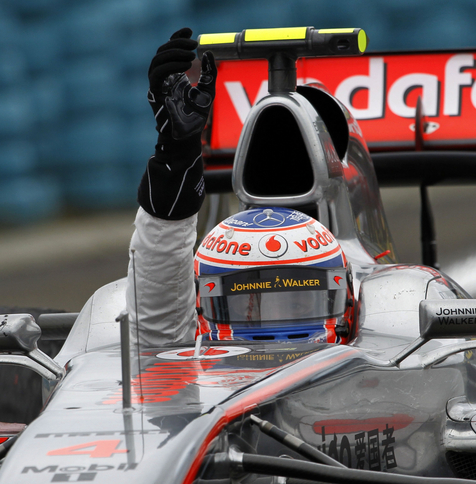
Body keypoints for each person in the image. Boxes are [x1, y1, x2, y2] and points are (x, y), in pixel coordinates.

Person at [127, 30, 353, 348]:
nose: (273, 323)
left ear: (347, 297)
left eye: (299, 305)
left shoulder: (384, 305)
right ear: (204, 301)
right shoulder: (192, 335)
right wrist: (177, 156)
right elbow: (157, 333)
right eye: (248, 307)